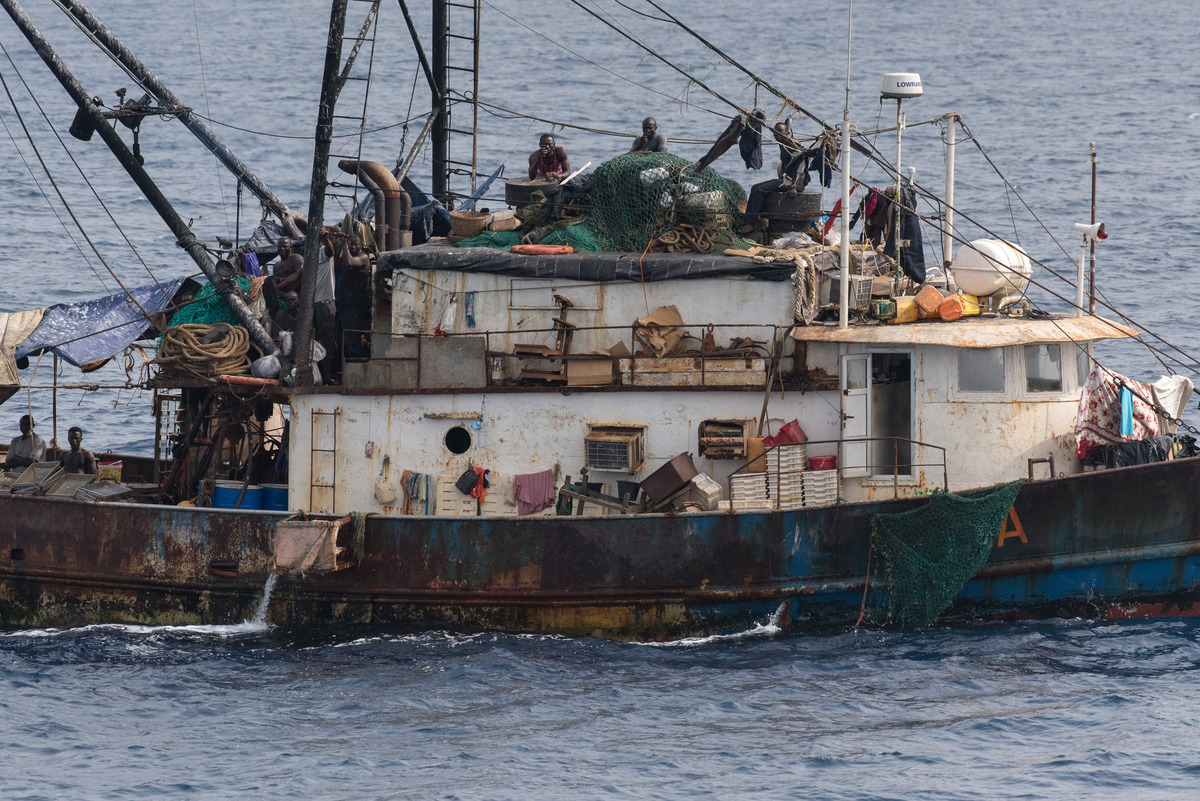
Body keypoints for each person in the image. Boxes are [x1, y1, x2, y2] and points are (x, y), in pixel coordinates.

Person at [737, 121, 811, 235]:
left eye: (780, 132)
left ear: (787, 133)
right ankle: (756, 219)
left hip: (795, 183)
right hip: (787, 180)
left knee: (758, 189)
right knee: (756, 187)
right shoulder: (782, 142)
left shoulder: (792, 144)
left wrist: (793, 187)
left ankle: (750, 224)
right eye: (775, 133)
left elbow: (802, 166)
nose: (777, 135)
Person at [332, 233, 373, 361]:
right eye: (351, 244)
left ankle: (355, 366)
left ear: (362, 245)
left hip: (354, 307)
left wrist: (344, 243)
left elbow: (350, 261)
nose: (353, 246)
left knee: (351, 339)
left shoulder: (363, 258)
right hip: (345, 306)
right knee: (341, 338)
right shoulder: (348, 256)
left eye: (356, 244)